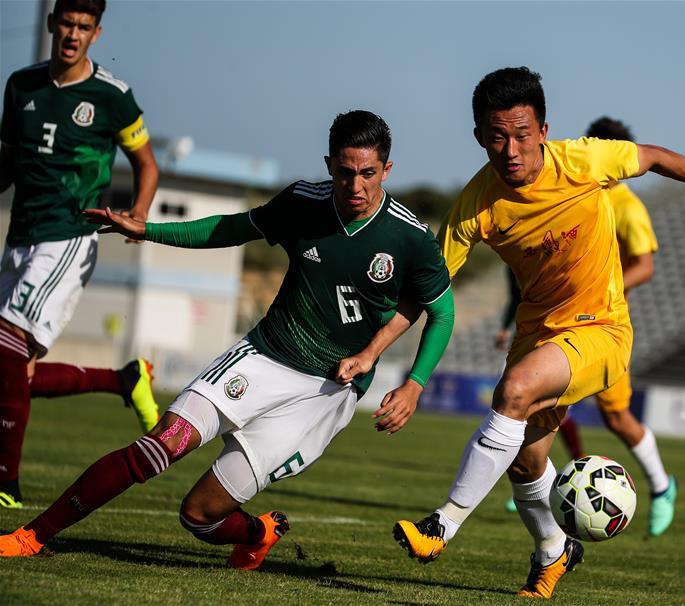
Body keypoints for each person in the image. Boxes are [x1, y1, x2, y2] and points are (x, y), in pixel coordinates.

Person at [344, 67, 685, 598]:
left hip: (602, 329)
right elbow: (426, 293)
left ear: (542, 129)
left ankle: (441, 525)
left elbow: (649, 155)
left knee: (512, 393)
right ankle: (554, 553)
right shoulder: (476, 207)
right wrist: (373, 351)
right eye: (496, 137)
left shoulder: (582, 159)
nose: (509, 149)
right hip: (538, 335)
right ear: (478, 136)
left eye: (521, 134)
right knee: (526, 461)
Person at [0, 110, 455, 569]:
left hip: (325, 393)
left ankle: (259, 531)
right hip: (263, 356)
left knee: (199, 515)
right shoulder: (302, 202)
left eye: (368, 174)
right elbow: (230, 229)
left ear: (387, 170)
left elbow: (441, 311)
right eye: (344, 172)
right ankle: (31, 536)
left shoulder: (411, 237)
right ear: (329, 164)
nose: (355, 186)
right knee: (161, 444)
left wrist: (414, 382)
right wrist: (148, 230)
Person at [0, 0, 161, 510]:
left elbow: (147, 164)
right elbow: (8, 161)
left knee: (8, 339)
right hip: (21, 236)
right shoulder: (20, 85)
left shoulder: (111, 97)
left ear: (97, 33)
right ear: (52, 24)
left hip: (70, 236)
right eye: (66, 23)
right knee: (11, 370)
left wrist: (137, 213)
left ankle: (5, 482)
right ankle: (124, 380)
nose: (73, 34)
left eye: (84, 27)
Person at [497, 117, 676, 537]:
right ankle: (540, 480)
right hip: (559, 324)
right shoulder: (574, 185)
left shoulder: (628, 206)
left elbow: (645, 266)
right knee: (542, 405)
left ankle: (663, 485)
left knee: (617, 418)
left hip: (602, 326)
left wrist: (602, 282)